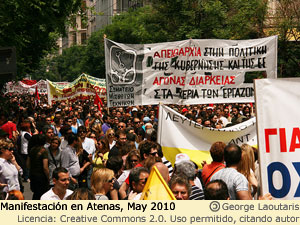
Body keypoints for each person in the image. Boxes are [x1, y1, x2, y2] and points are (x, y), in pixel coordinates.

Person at [27, 134, 50, 200]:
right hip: (41, 176)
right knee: (42, 194)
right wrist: (48, 177)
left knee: (36, 194)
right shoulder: (44, 151)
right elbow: (45, 167)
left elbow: (28, 164)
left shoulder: (32, 150)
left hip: (33, 175)